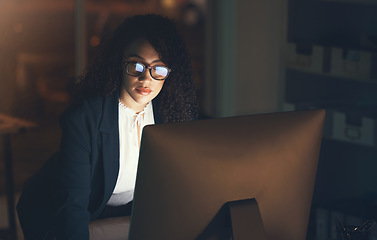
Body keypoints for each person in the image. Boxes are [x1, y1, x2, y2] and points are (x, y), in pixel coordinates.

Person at [17, 14, 198, 240]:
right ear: (119, 62)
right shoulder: (85, 118)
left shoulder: (173, 113)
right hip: (56, 213)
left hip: (121, 213)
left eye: (158, 69)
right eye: (136, 65)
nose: (146, 79)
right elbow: (72, 209)